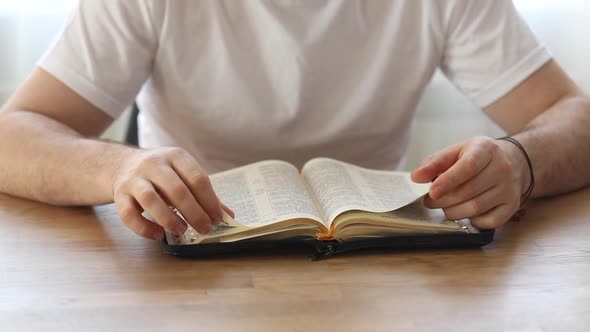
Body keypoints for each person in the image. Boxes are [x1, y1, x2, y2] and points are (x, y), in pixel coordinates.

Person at [0, 1, 589, 241]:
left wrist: (521, 160)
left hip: (369, 256)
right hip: (185, 272)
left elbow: (577, 119)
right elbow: (13, 134)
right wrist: (120, 167)